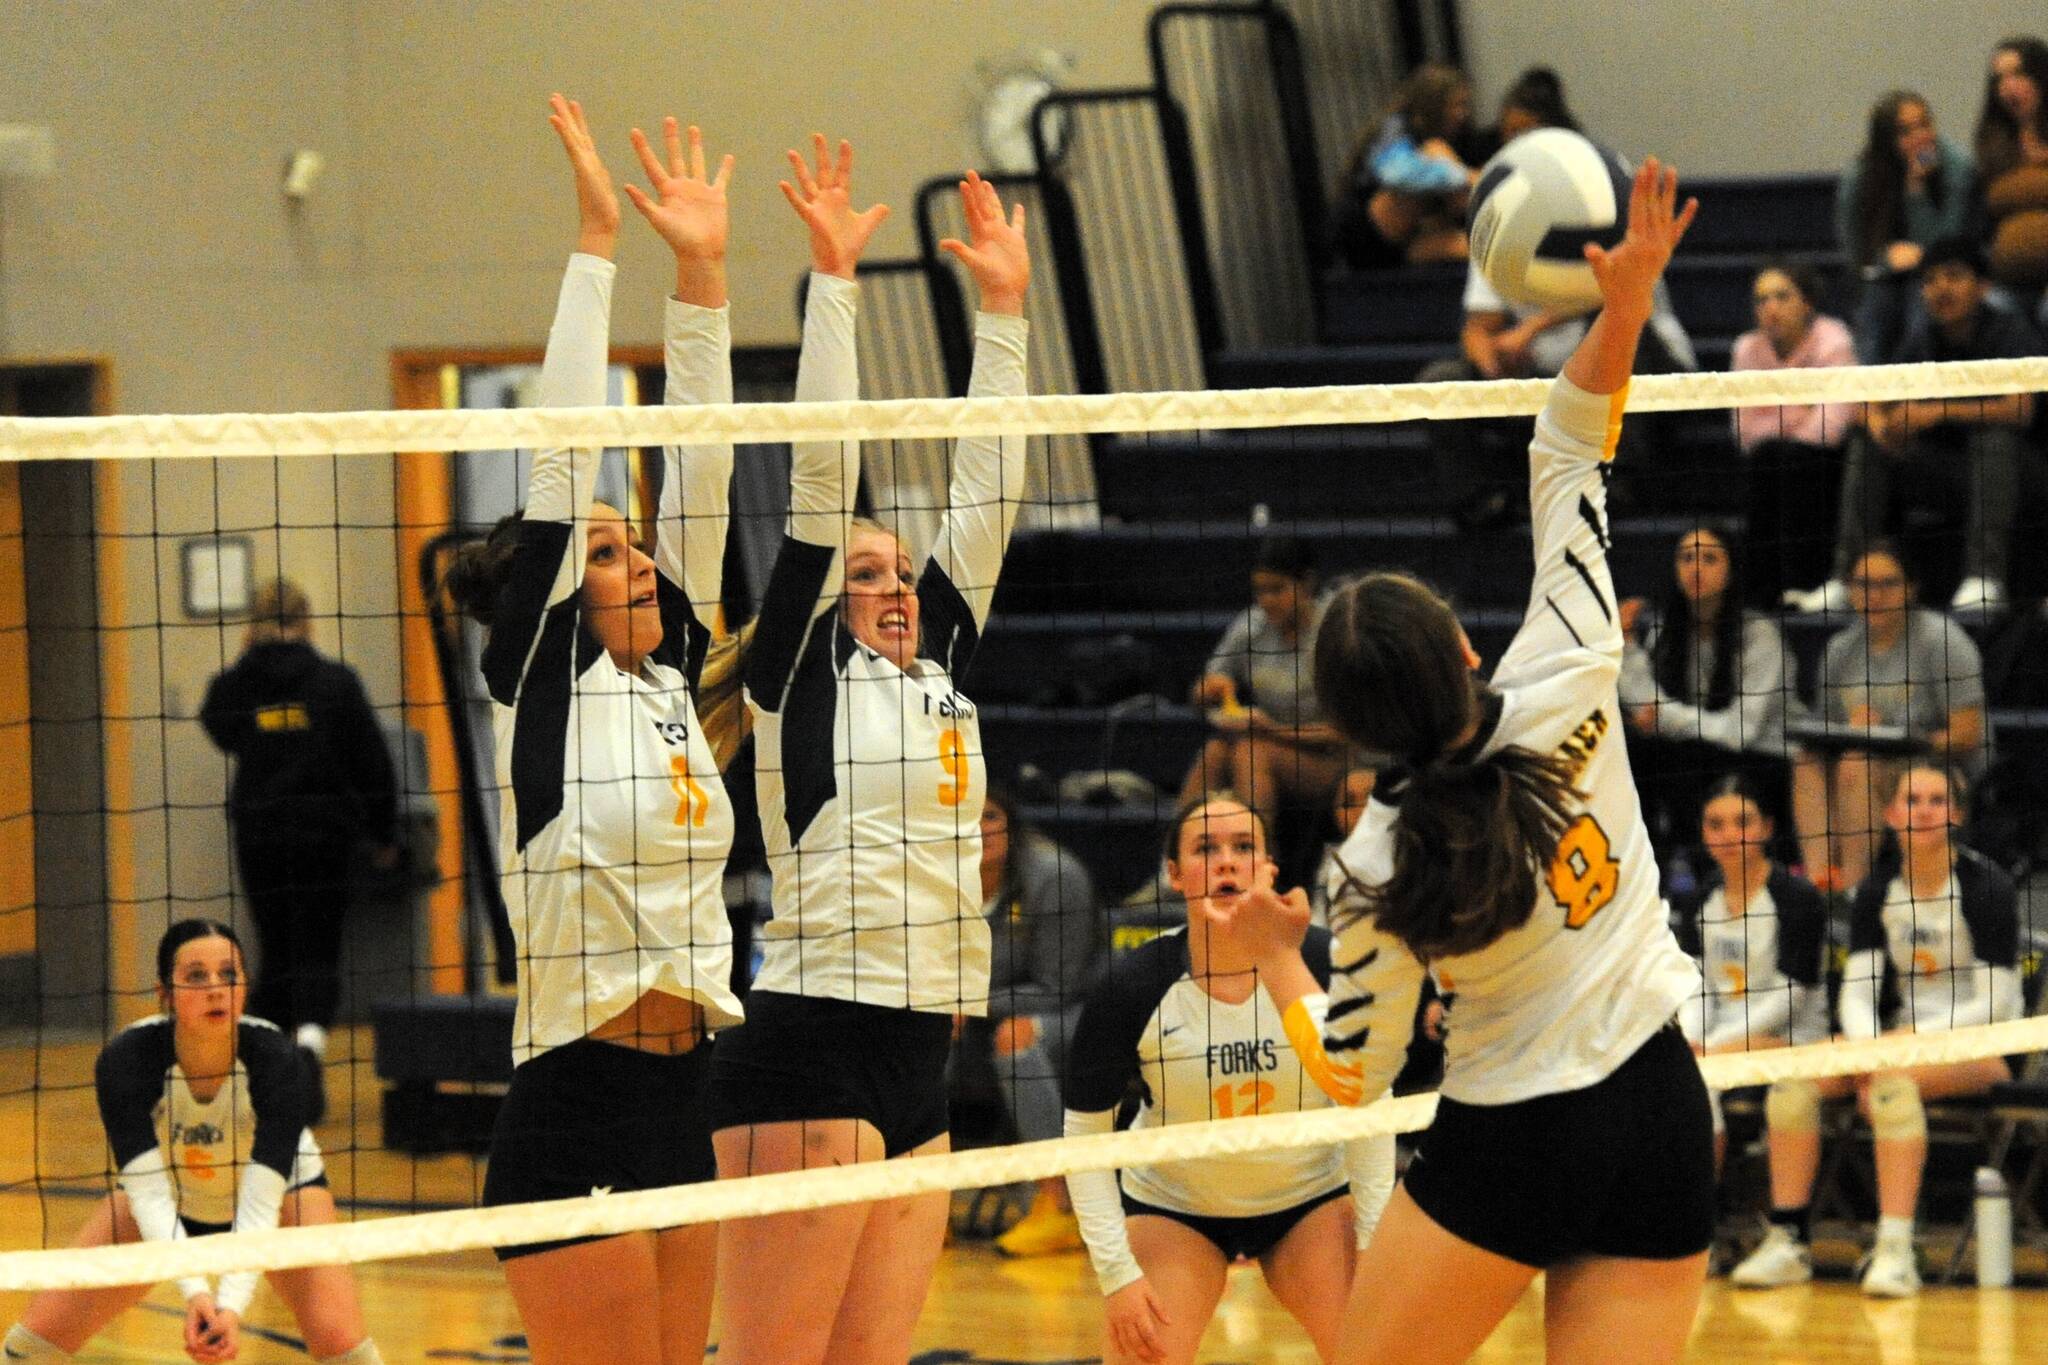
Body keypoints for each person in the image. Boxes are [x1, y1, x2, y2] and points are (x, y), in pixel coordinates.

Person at [1228, 159, 1715, 1364]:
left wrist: (1278, 961)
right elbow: (1564, 444)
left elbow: (1353, 1079)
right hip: (1659, 1106)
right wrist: (1623, 303)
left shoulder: (1372, 857)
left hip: (1515, 1140)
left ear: (1348, 728)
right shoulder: (1569, 662)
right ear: (1457, 645)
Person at [705, 151, 1031, 1365]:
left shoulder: (935, 656)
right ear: (823, 602)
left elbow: (988, 488)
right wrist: (831, 285)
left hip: (919, 1054)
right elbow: (821, 472)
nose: (893, 584)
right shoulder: (802, 674)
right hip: (809, 1044)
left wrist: (1005, 312)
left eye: (900, 569)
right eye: (865, 574)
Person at [440, 97, 746, 1364]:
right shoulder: (544, 686)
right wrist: (593, 240)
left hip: (686, 1098)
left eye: (633, 548)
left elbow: (712, 464)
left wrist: (703, 273)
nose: (631, 563)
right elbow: (565, 468)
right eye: (604, 554)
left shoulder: (673, 684)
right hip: (573, 1110)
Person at [1062, 795, 1395, 1365]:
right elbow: (1085, 1135)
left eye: (1244, 847)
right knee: (1146, 1353)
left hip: (1310, 1199)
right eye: (1205, 849)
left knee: (1378, 1349)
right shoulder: (1132, 987)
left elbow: (1371, 1109)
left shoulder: (1324, 963)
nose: (1227, 862)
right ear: (1173, 875)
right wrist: (1117, 1275)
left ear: (1268, 869)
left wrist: (1373, 1244)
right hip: (1175, 1206)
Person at [4, 920, 381, 1365]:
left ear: (244, 987)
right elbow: (147, 1193)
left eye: (228, 973)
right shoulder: (127, 1061)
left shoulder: (279, 1061)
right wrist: (196, 1292)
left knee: (345, 1347)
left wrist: (230, 1307)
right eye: (196, 976)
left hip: (285, 1203)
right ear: (165, 993)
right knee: (31, 1348)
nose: (216, 988)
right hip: (168, 1200)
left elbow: (262, 1202)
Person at [1732, 763, 2021, 1297]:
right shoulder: (1879, 891)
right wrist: (1867, 1047)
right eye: (1913, 799)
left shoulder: (1986, 886)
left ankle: (1895, 1249)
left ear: (1956, 815)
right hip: (1898, 1044)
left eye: (1938, 800)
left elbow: (1995, 1003)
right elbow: (1858, 992)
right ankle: (1788, 1240)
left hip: (1985, 1045)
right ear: (1890, 814)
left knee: (1891, 1084)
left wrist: (1901, 1046)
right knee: (1796, 1082)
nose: (1926, 810)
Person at [199, 576, 397, 1101]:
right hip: (325, 836)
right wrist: (383, 831)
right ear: (307, 621)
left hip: (261, 835)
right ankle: (307, 1050)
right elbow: (373, 761)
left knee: (277, 950)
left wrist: (246, 664)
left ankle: (263, 1065)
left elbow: (217, 724)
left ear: (254, 626)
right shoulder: (335, 682)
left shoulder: (240, 687)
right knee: (318, 949)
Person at [1793, 237, 2046, 614]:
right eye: (1930, 280)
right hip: (1953, 475)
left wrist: (1937, 412)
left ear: (1983, 286)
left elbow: (2019, 410)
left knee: (1991, 439)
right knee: (1866, 441)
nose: (1941, 288)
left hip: (2020, 474)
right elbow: (1872, 398)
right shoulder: (1923, 337)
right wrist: (1881, 423)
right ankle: (1848, 578)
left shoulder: (2008, 330)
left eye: (1954, 276)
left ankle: (1984, 578)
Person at [1791, 541, 1987, 893]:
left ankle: (1854, 890)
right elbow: (1826, 731)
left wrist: (1893, 735)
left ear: (1910, 588)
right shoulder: (1839, 650)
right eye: (1863, 585)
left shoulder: (1942, 641)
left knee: (1857, 763)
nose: (1874, 595)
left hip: (1937, 767)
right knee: (1808, 761)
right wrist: (1851, 732)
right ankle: (1818, 885)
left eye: (1887, 584)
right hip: (1864, 758)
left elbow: (1966, 735)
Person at [1619, 524, 1801, 868]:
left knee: (1686, 761)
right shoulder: (1667, 631)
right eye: (1687, 557)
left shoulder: (1759, 636)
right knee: (1636, 752)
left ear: (1731, 569)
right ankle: (1646, 870)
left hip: (1765, 756)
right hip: (1697, 750)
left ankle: (1706, 873)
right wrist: (1627, 647)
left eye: (1709, 558)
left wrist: (1664, 718)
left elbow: (1739, 732)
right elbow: (1644, 706)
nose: (1696, 567)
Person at [1671, 778, 1829, 1173]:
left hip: (1793, 1036)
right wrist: (1692, 1038)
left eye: (1743, 822)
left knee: (1693, 1079)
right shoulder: (1699, 901)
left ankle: (1702, 1212)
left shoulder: (1797, 898)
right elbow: (1697, 987)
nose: (1729, 835)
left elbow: (1789, 998)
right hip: (1718, 1038)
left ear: (1767, 828)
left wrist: (1713, 1045)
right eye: (1715, 824)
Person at [973, 783, 1103, 1258]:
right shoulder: (938, 880)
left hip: (1077, 1010)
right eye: (964, 816)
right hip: (984, 1009)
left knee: (1017, 1038)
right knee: (912, 1035)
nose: (979, 828)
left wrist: (967, 1004)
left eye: (989, 815)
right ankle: (912, 1199)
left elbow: (1060, 986)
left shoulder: (1054, 876)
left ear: (1011, 821)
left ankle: (1060, 1205)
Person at [1183, 536, 1349, 835]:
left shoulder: (1335, 630)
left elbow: (1347, 733)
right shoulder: (1251, 625)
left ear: (1306, 584)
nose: (1266, 601)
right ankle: (1173, 866)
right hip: (1269, 744)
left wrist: (1272, 729)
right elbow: (1201, 693)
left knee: (1252, 751)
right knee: (1216, 750)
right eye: (1260, 591)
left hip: (1336, 760)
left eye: (1277, 590)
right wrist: (1208, 690)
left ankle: (1256, 863)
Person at [1729, 263, 1859, 604]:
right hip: (1771, 460)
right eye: (1761, 300)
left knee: (1792, 460)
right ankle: (1764, 592)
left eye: (1782, 296)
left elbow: (1831, 427)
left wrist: (1776, 410)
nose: (1770, 307)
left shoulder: (1833, 339)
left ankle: (1807, 580)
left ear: (1807, 304)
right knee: (1768, 458)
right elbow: (1746, 432)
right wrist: (1800, 408)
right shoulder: (1746, 349)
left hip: (1826, 461)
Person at [1836, 91, 1977, 363]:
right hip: (1884, 276)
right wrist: (1886, 260)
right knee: (1874, 315)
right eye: (1906, 131)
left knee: (1919, 317)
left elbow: (1950, 243)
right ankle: (1873, 401)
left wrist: (1917, 190)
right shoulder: (1861, 177)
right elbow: (1856, 253)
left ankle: (1915, 401)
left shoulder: (1957, 167)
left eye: (1925, 124)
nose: (1920, 137)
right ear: (1887, 140)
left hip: (1940, 273)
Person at [1331, 62, 1478, 269]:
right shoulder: (1397, 127)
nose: (1463, 114)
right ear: (1435, 103)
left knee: (1477, 249)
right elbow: (1398, 175)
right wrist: (1465, 176)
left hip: (1410, 241)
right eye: (1457, 105)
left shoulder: (1456, 137)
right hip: (1368, 233)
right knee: (1437, 152)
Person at [1974, 37, 2048, 294]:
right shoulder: (1994, 144)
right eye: (1999, 79)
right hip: (2009, 277)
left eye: (2017, 75)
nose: (2007, 87)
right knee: (1995, 309)